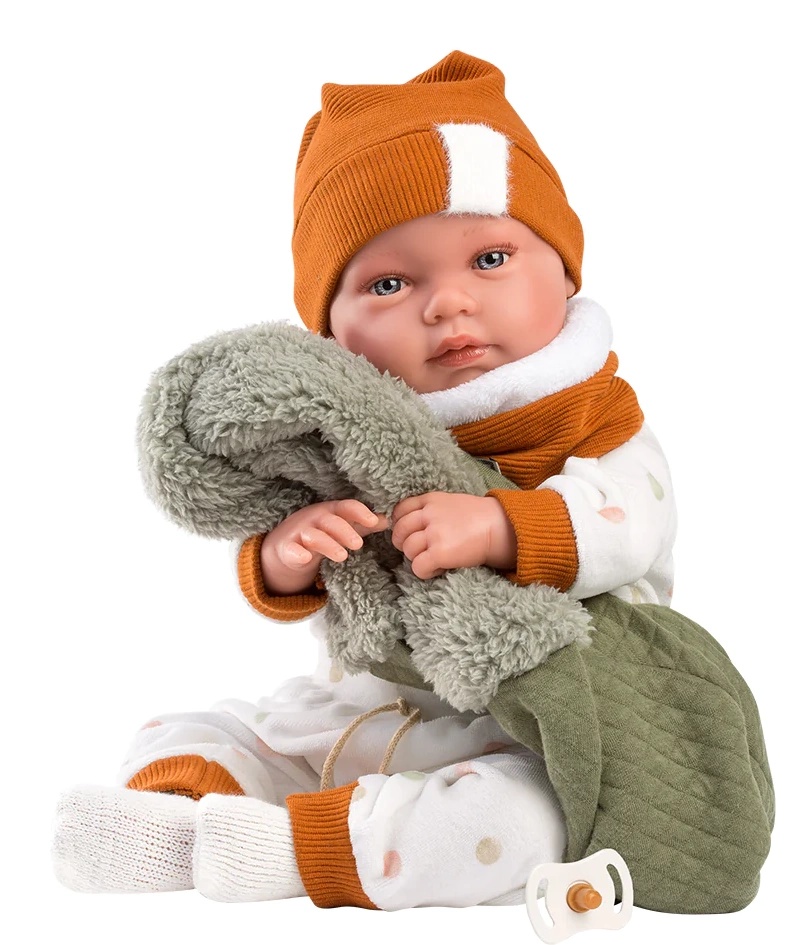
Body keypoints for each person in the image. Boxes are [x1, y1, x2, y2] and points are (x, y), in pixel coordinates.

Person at [53, 50, 676, 910]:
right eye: (389, 282)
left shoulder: (595, 420)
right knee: (207, 727)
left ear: (565, 270)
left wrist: (502, 526)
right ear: (332, 335)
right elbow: (292, 552)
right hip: (361, 711)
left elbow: (629, 523)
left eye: (489, 258)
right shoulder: (349, 433)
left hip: (521, 731)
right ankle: (178, 820)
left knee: (523, 817)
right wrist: (287, 556)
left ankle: (297, 852)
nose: (447, 303)